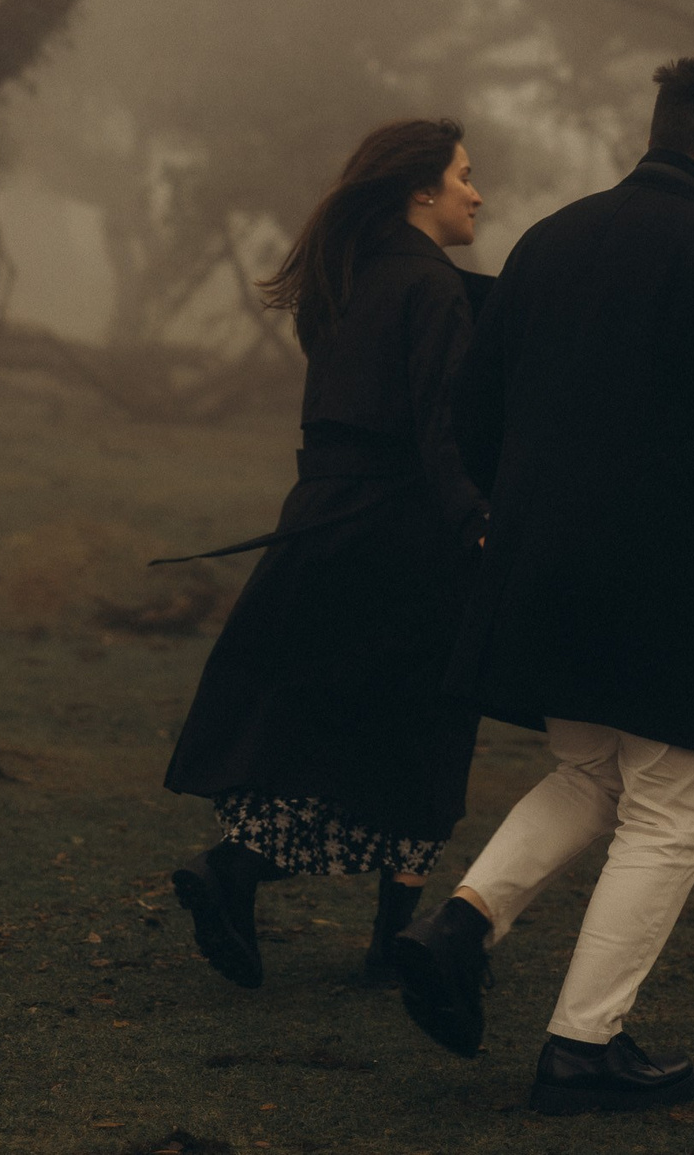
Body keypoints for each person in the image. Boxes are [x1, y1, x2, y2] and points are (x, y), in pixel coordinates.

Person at [390, 59, 694, 1117]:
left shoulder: (551, 239)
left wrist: (517, 514)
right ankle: (582, 1044)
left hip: (541, 566)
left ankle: (458, 926)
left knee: (593, 770)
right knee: (677, 808)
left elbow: (471, 410)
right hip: (664, 583)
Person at [162, 119, 491, 991]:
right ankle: (345, 916)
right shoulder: (432, 287)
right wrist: (474, 518)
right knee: (426, 729)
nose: (477, 192)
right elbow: (442, 422)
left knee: (334, 724)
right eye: (464, 175)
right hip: (405, 534)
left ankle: (256, 876)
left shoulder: (347, 279)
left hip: (325, 519)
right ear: (420, 189)